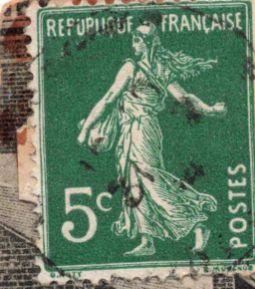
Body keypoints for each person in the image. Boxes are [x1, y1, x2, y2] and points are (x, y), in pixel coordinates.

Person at [75, 22, 226, 256]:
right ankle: (147, 240)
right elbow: (185, 98)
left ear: (145, 43)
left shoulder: (134, 68)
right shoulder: (158, 68)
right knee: (134, 181)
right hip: (135, 129)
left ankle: (197, 222)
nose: (133, 44)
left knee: (149, 179)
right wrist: (210, 110)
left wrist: (86, 129)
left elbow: (108, 99)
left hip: (142, 129)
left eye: (136, 40)